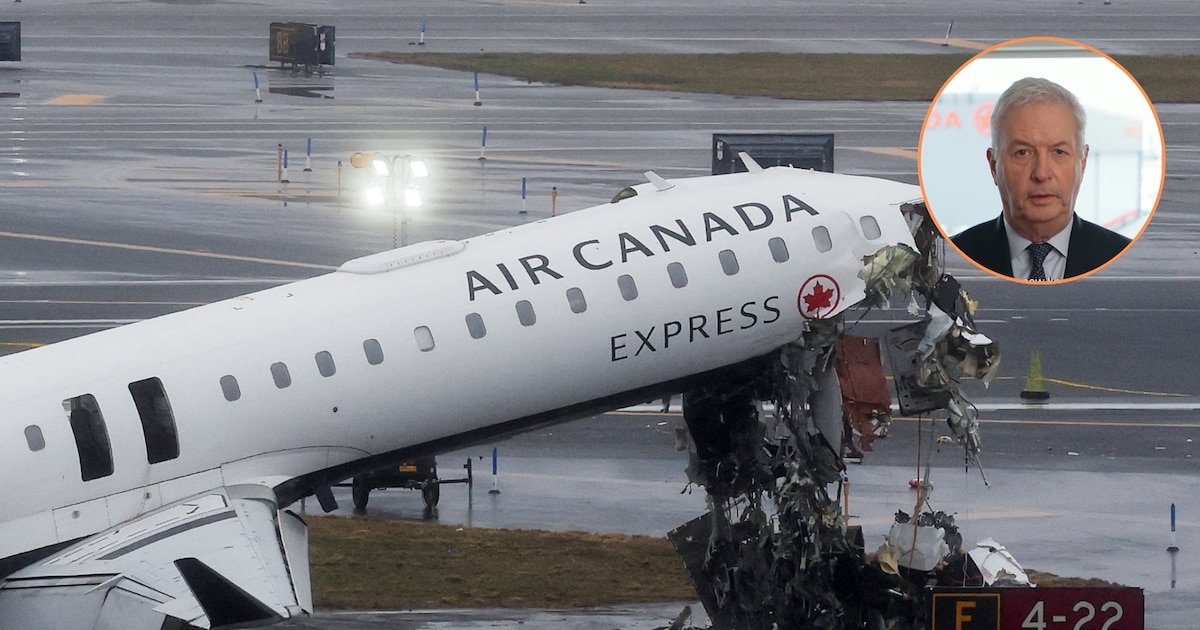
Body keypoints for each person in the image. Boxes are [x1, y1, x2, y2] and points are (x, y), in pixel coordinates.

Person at [952, 77, 1130, 281]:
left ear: (1082, 162)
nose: (1041, 173)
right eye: (1022, 153)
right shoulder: (952, 256)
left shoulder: (1119, 254)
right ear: (994, 166)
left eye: (1059, 152)